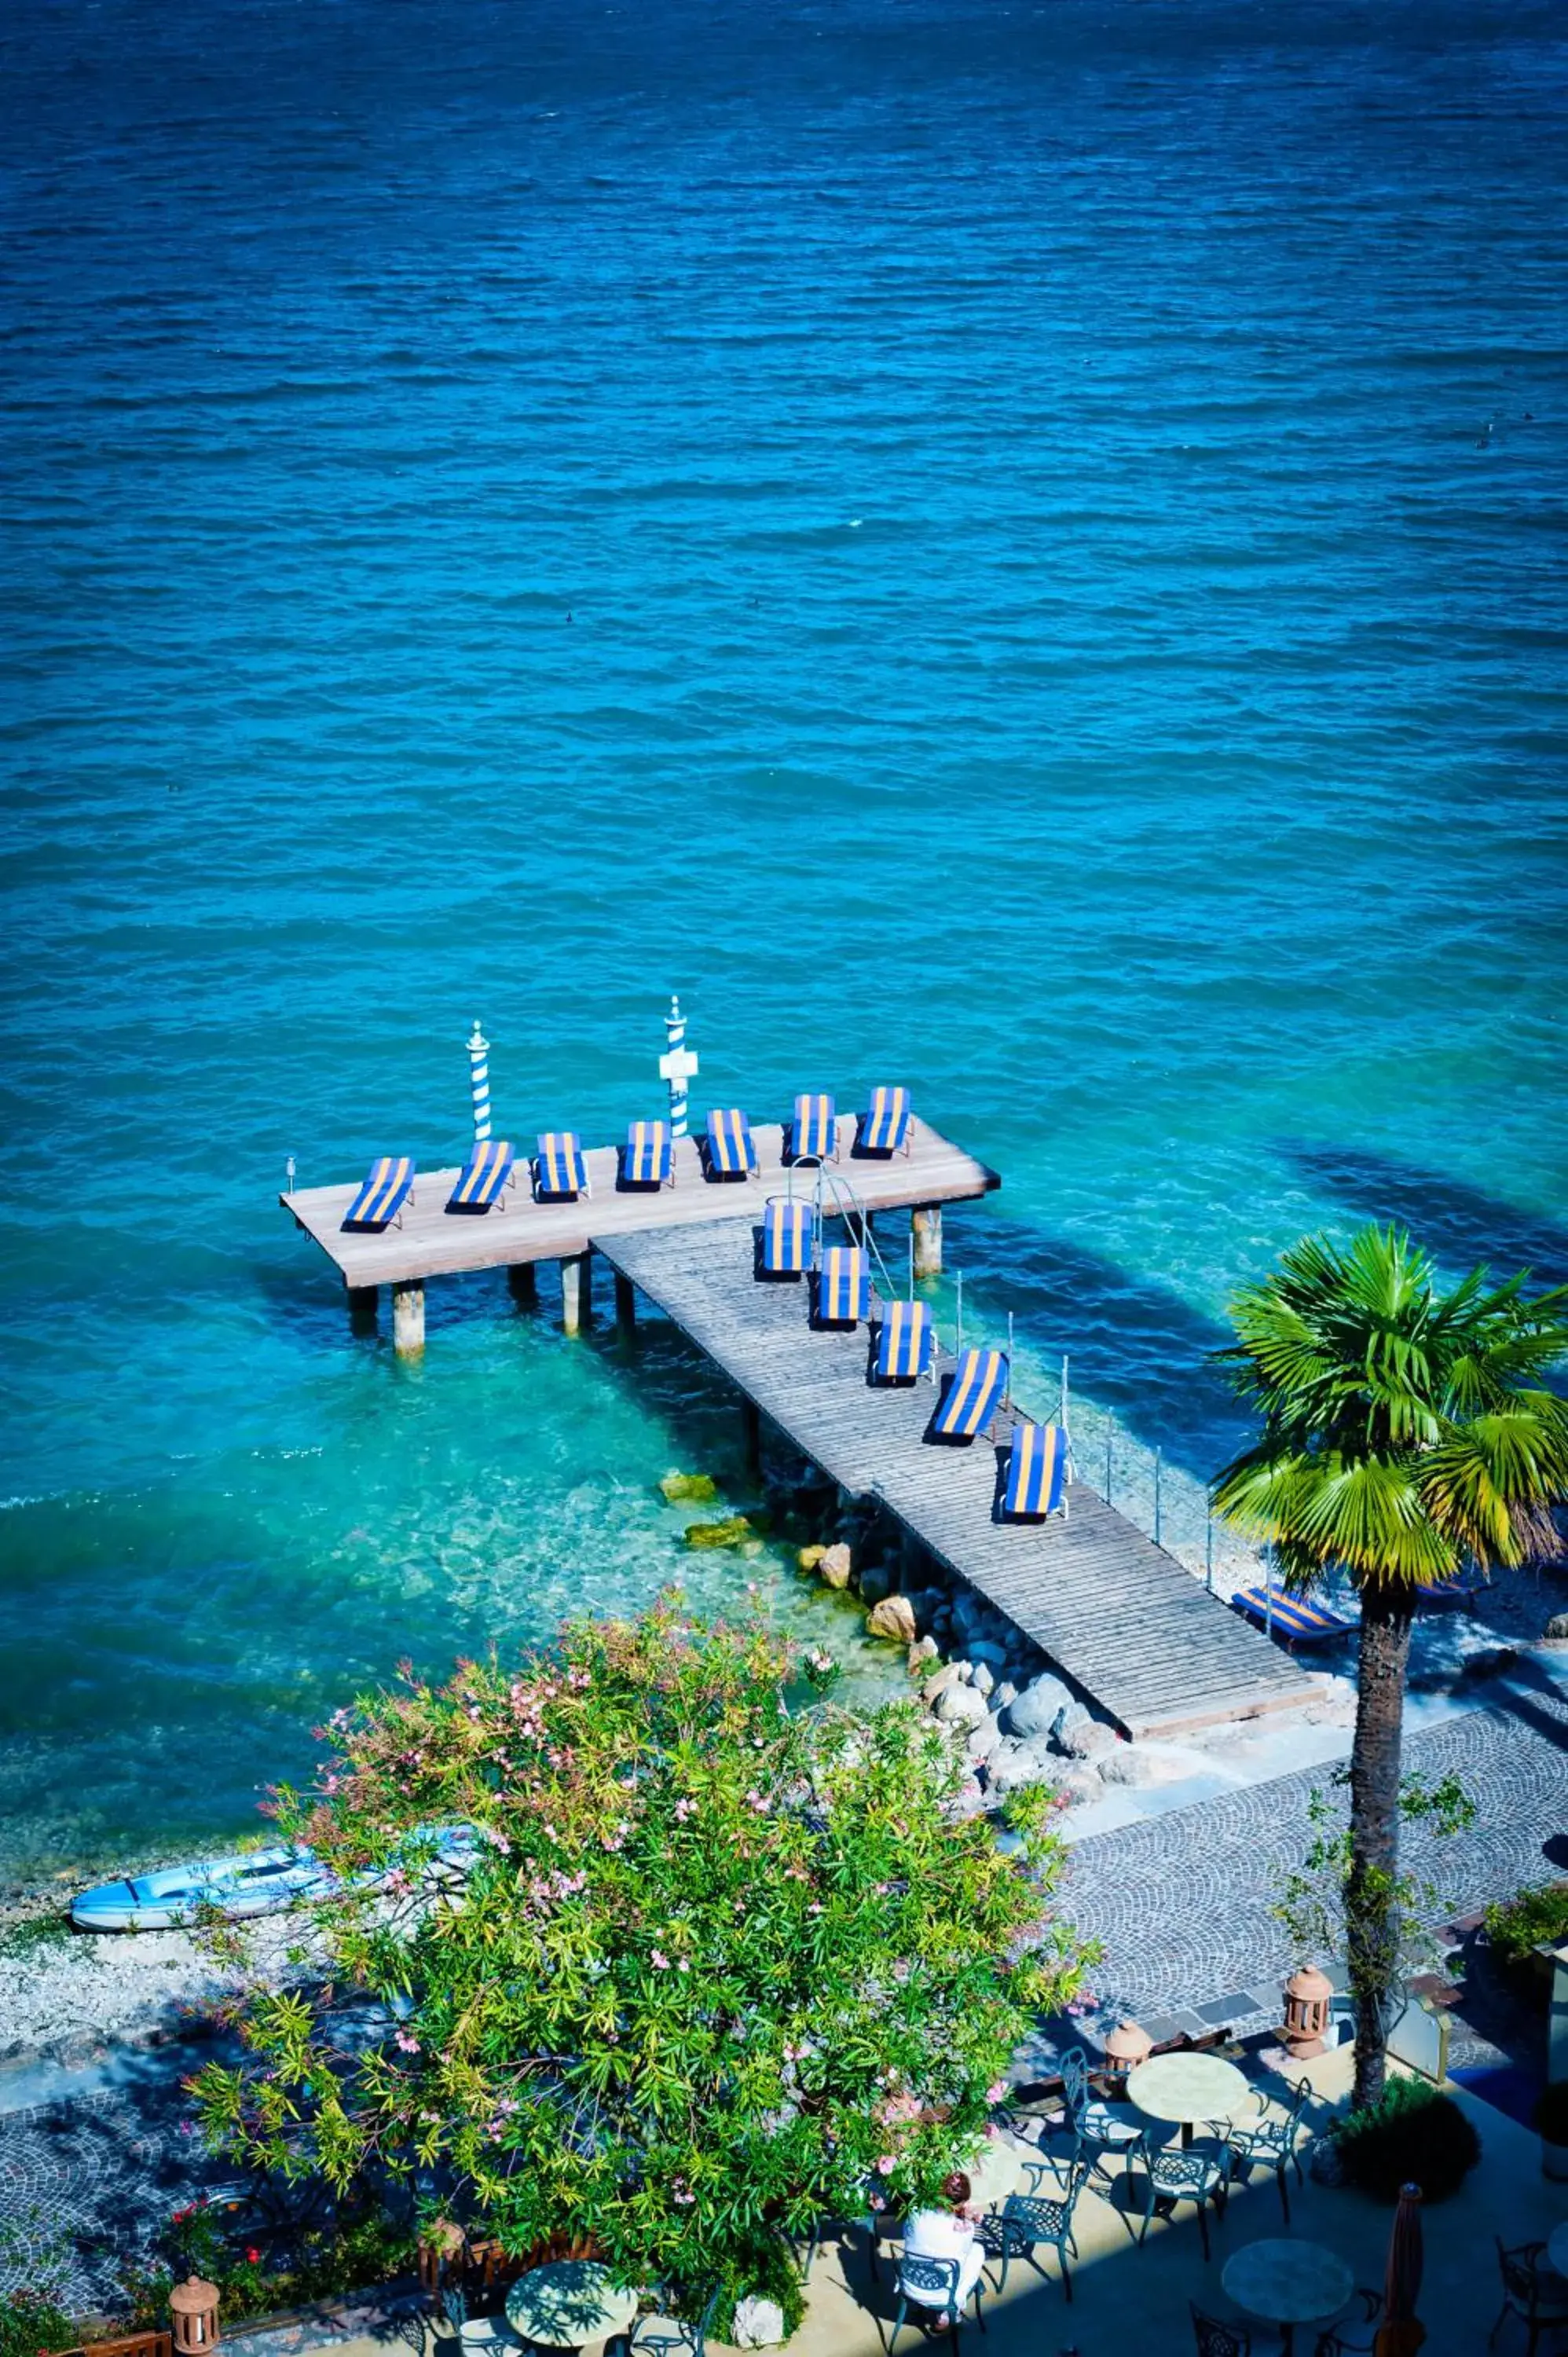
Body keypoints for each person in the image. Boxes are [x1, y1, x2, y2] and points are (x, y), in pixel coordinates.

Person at [902, 2170, 986, 2305]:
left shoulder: (915, 2214)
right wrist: (966, 2219)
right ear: (962, 2203)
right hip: (943, 2293)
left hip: (910, 2283)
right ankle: (947, 2313)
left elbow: (905, 2234)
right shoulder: (963, 2229)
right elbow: (964, 2254)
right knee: (978, 2250)